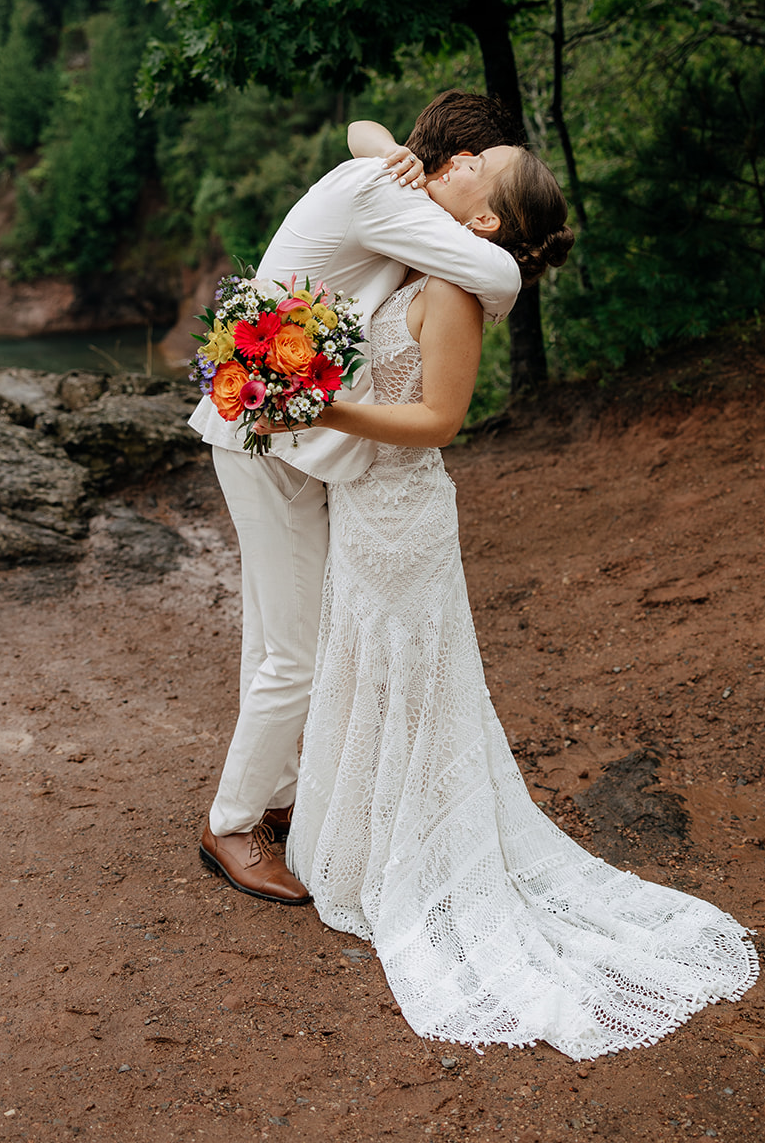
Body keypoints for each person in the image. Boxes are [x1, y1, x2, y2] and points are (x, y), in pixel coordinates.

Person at [286, 165, 759, 1061]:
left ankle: (422, 857)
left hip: (405, 514)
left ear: (485, 220)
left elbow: (438, 420)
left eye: (477, 168)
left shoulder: (454, 293)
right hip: (359, 509)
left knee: (418, 683)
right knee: (361, 667)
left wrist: (320, 406)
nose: (455, 164)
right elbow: (374, 148)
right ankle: (363, 839)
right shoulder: (415, 262)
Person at [191, 92, 533, 904]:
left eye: (477, 168)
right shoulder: (383, 191)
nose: (462, 167)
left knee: (277, 638)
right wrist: (390, 156)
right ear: (440, 159)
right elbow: (498, 274)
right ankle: (231, 823)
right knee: (296, 650)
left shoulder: (390, 188)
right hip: (265, 430)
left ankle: (273, 797)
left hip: (287, 435)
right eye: (466, 157)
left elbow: (363, 140)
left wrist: (382, 146)